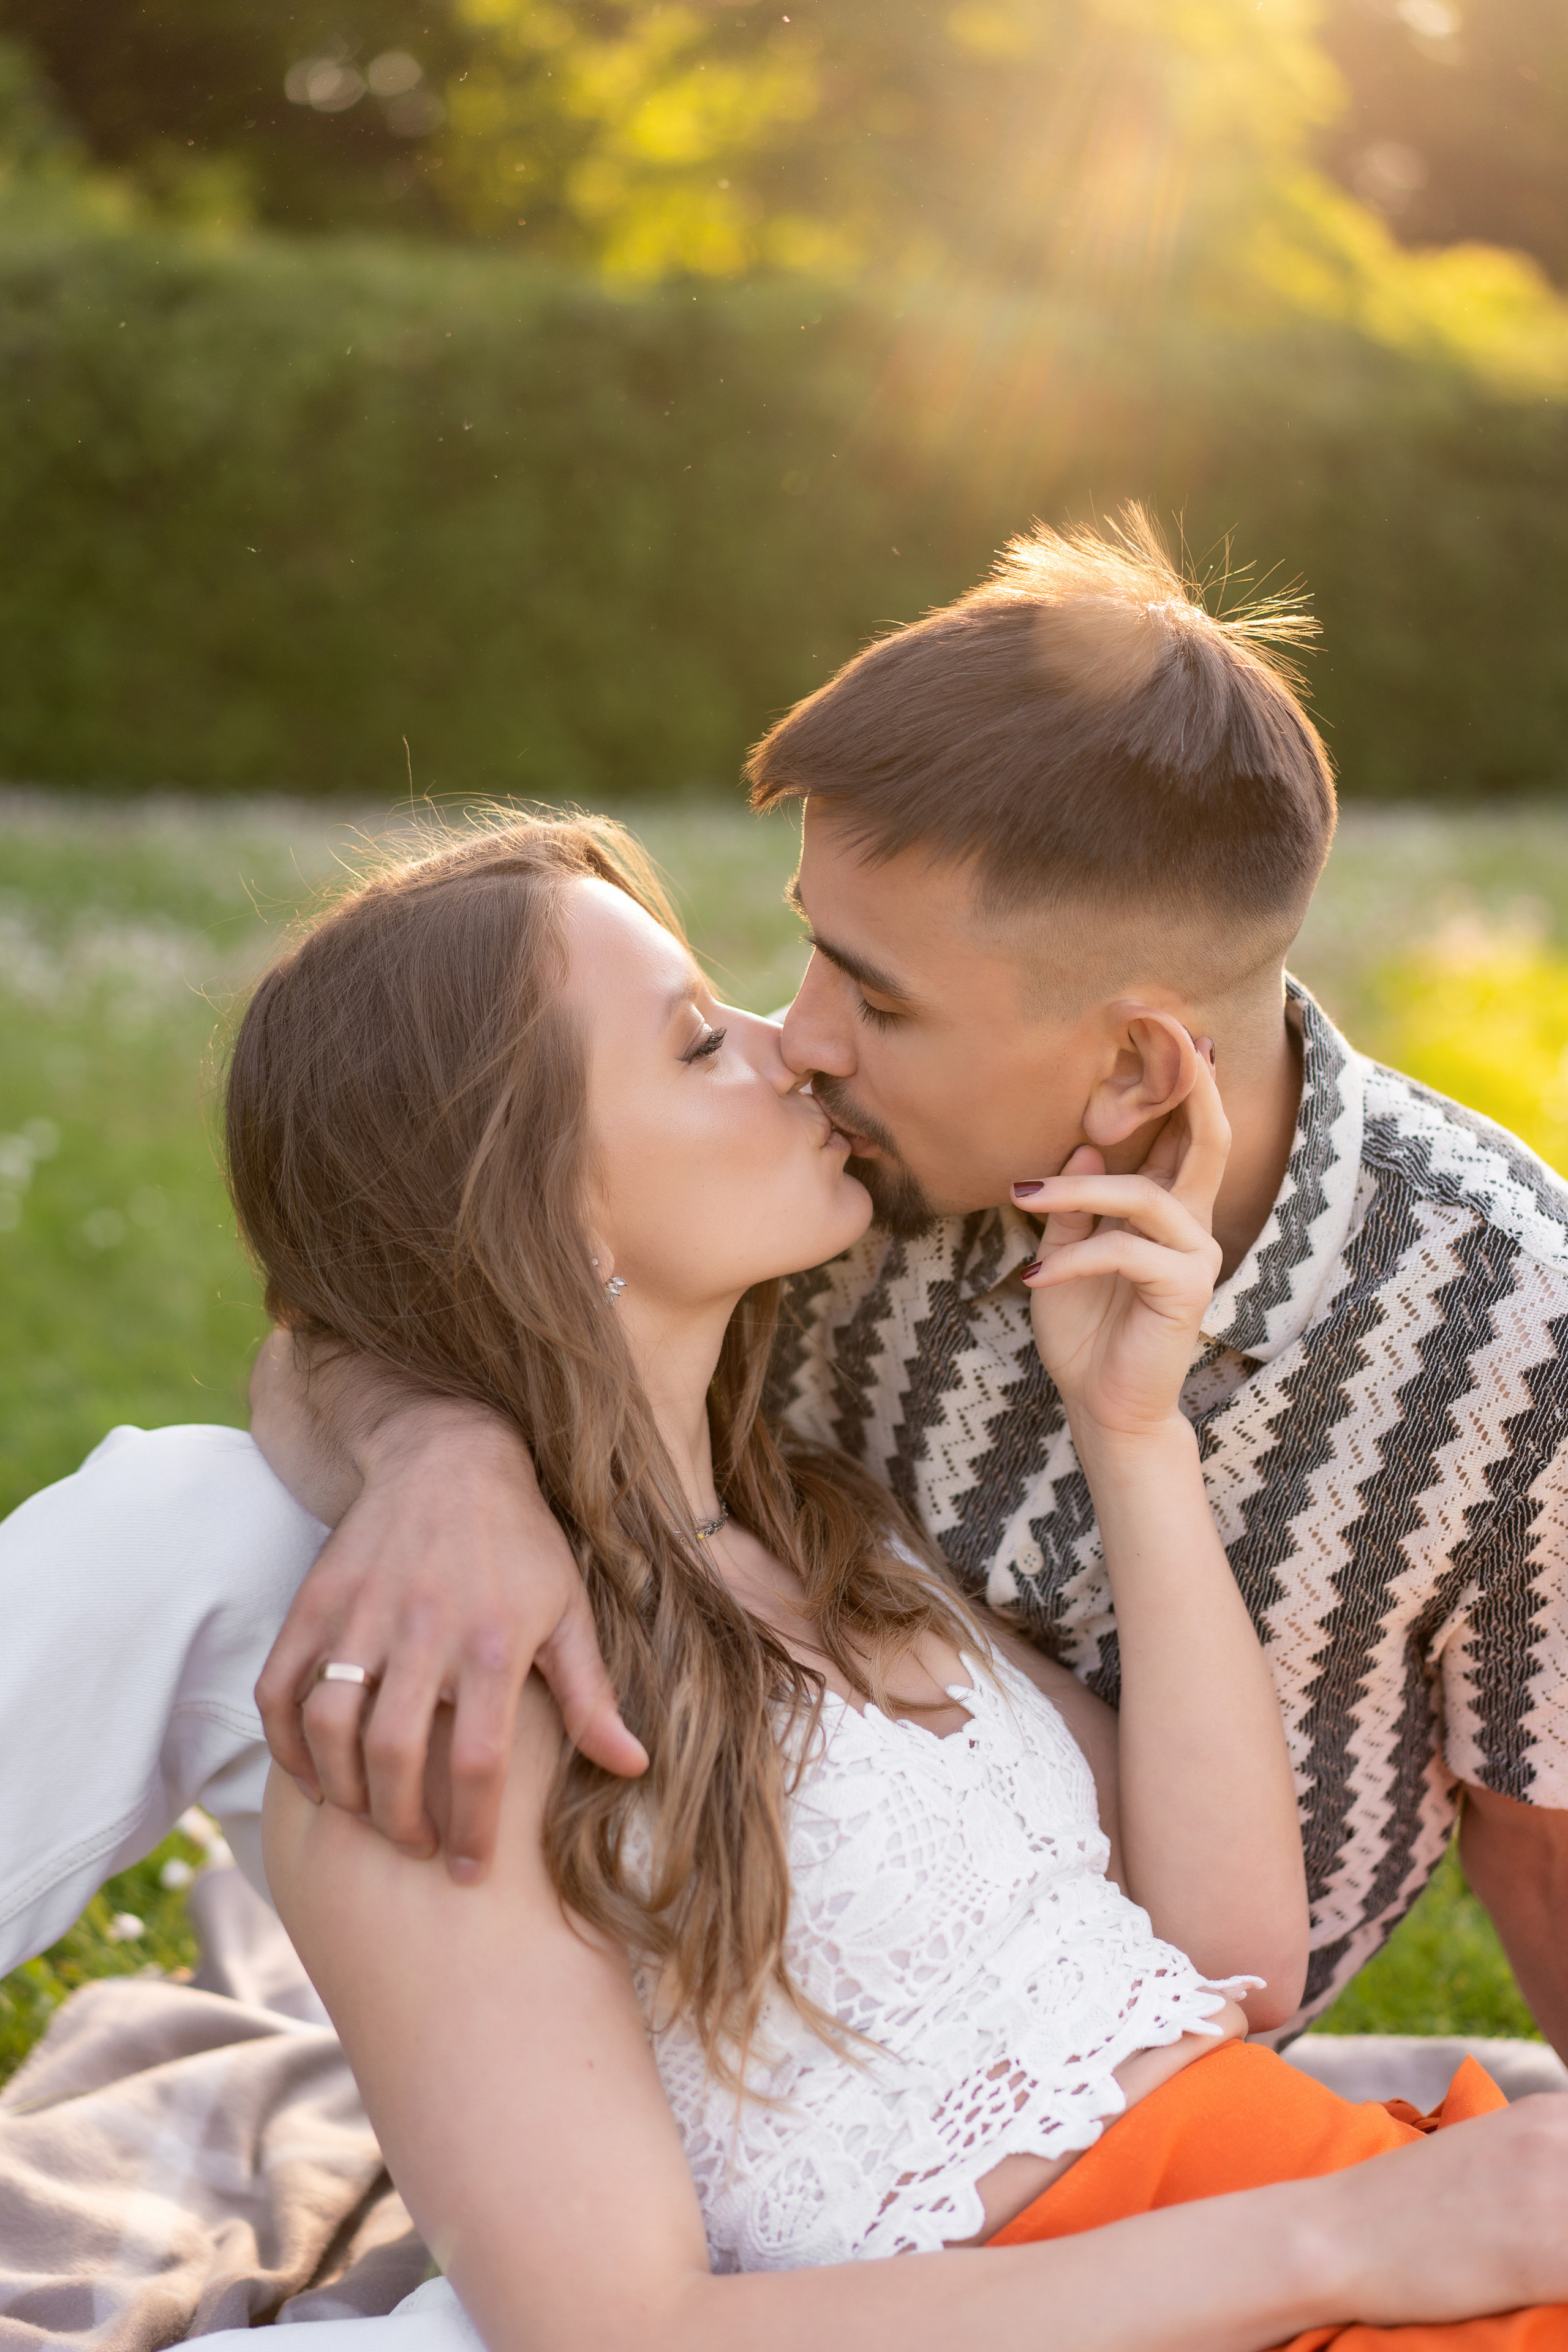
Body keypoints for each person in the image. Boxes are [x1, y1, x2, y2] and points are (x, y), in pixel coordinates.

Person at [195, 808, 1568, 2352]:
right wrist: (1340, 2242)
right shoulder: (438, 1707)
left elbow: (1236, 1959)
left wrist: (1132, 1436)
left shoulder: (828, 1531)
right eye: (697, 1047)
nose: (789, 1046)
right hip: (1295, 2283)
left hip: (1379, 2233)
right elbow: (616, 2335)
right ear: (536, 1203)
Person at [248, 511, 1568, 2057]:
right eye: (815, 948)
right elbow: (383, 1312)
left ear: (1138, 1062)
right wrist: (438, 1454)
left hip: (1154, 2057)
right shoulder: (824, 1171)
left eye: (873, 996)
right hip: (733, 1966)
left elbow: (1536, 1848)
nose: (798, 1037)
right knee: (207, 1525)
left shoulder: (1510, 1337)